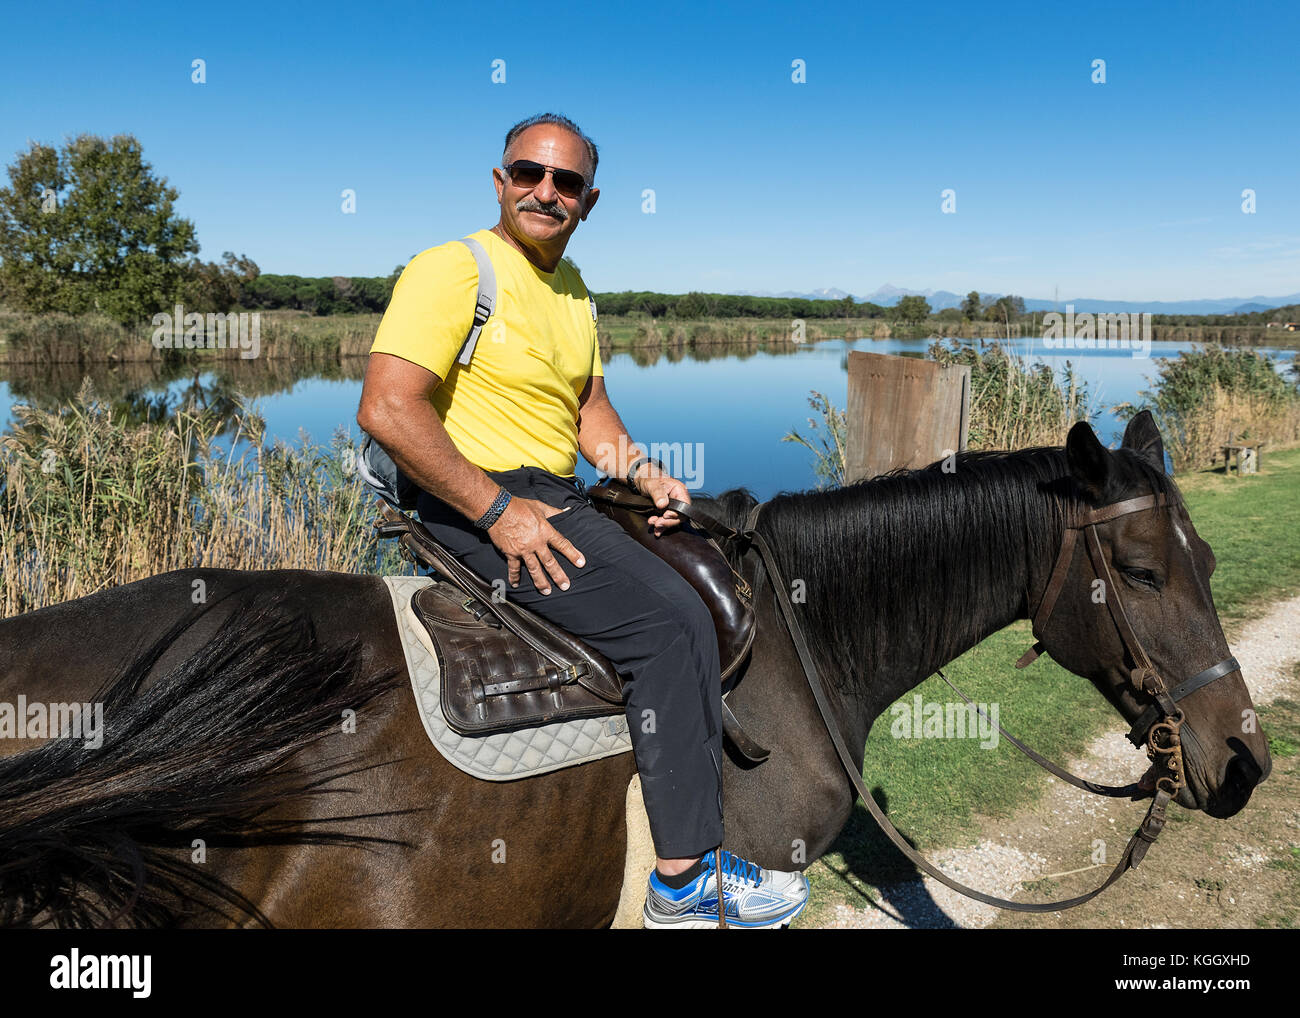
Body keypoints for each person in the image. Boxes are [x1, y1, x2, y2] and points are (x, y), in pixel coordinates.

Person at [356, 112, 808, 928]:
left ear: (589, 201)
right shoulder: (456, 269)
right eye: (528, 172)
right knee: (667, 629)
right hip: (472, 496)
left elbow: (589, 416)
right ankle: (682, 880)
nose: (545, 191)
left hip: (556, 490)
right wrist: (495, 511)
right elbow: (389, 408)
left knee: (709, 581)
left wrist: (643, 472)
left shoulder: (574, 292)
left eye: (565, 182)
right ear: (500, 181)